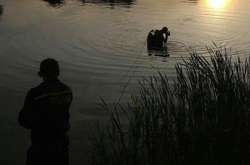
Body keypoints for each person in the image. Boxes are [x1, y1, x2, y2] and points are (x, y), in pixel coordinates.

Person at [18, 58, 73, 165]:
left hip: (41, 146)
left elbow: (23, 120)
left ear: (41, 74)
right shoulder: (68, 91)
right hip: (61, 146)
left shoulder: (35, 93)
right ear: (58, 72)